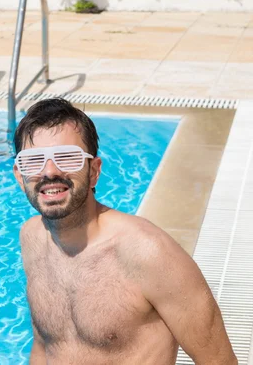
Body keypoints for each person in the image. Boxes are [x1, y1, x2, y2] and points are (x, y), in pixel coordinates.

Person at [12, 98, 236, 364]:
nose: (49, 171)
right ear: (19, 174)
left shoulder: (149, 253)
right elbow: (43, 346)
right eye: (33, 161)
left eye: (68, 158)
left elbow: (219, 361)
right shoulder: (31, 238)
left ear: (94, 171)